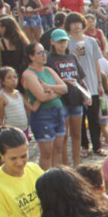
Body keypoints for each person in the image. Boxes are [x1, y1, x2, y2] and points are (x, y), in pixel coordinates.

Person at [22, 42, 68, 170]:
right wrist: (57, 93)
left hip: (58, 111)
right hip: (43, 115)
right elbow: (41, 97)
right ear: (31, 57)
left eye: (44, 52)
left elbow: (64, 88)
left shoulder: (49, 70)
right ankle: (46, 182)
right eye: (40, 52)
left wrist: (49, 87)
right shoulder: (29, 74)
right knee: (47, 152)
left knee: (58, 149)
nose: (44, 55)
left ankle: (57, 178)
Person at [65, 12, 105, 158]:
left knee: (94, 117)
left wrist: (100, 83)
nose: (76, 26)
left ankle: (97, 145)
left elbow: (96, 62)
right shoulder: (67, 43)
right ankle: (84, 145)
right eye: (72, 24)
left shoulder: (91, 41)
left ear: (83, 24)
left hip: (92, 84)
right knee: (79, 119)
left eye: (78, 23)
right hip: (76, 87)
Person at [46, 28, 87, 167]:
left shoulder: (72, 57)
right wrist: (63, 80)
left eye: (64, 41)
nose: (62, 44)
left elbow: (80, 78)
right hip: (61, 100)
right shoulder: (49, 59)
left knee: (77, 134)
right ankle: (66, 164)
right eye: (59, 42)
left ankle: (77, 163)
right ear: (52, 42)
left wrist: (86, 93)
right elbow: (48, 81)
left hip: (76, 98)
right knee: (63, 136)